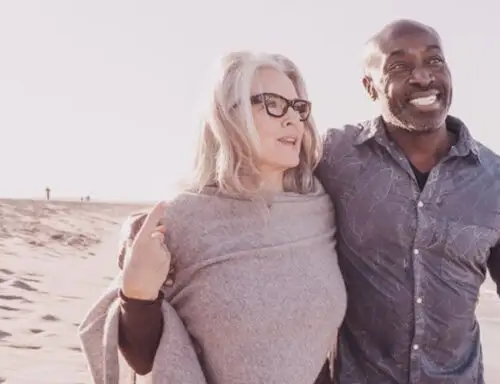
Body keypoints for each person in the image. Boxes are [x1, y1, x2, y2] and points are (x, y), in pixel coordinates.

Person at [115, 19, 500, 384]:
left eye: (435, 61)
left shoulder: (499, 183)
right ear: (369, 87)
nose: (422, 77)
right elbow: (248, 190)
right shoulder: (334, 158)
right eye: (398, 66)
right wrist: (150, 232)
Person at [77, 51, 346, 384]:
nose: (292, 119)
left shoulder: (320, 210)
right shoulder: (183, 220)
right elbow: (144, 359)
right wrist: (137, 292)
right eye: (274, 103)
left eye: (298, 107)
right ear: (228, 116)